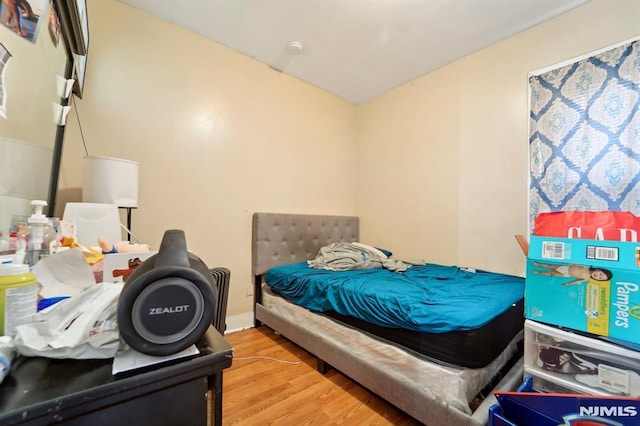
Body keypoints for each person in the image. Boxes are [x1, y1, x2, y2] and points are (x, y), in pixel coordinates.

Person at [532, 261, 612, 286]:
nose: (598, 276)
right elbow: (575, 264)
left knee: (552, 273)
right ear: (598, 269)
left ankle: (539, 272)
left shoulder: (587, 278)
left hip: (566, 274)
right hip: (566, 268)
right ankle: (538, 264)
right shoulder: (586, 267)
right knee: (550, 266)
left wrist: (568, 284)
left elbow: (576, 281)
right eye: (600, 274)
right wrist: (568, 262)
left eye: (600, 278)